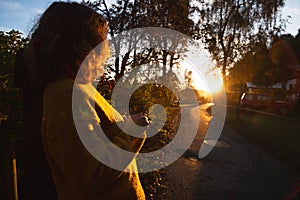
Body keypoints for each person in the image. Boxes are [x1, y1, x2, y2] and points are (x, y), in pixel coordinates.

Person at [23, 2, 147, 199]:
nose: (103, 54)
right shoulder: (66, 96)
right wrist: (130, 132)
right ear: (79, 46)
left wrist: (123, 125)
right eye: (99, 44)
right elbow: (91, 178)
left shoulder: (77, 88)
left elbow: (97, 141)